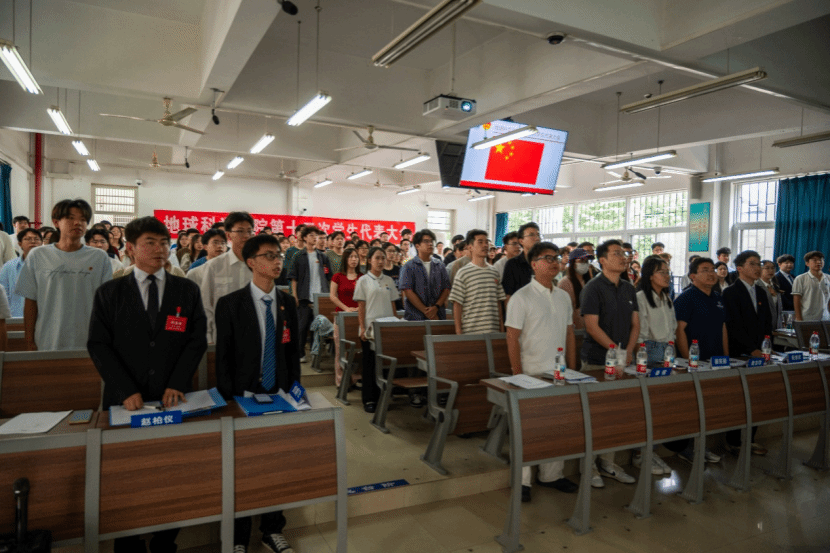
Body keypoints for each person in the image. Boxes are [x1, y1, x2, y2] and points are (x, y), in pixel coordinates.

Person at [86, 216, 206, 553]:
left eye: (163, 242)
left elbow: (196, 340)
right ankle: (128, 542)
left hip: (173, 398)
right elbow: (98, 345)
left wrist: (178, 382)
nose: (159, 249)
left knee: (171, 473)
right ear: (130, 248)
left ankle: (166, 540)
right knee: (126, 475)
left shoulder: (186, 290)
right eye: (149, 242)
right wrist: (126, 390)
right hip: (126, 401)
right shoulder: (110, 292)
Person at [214, 233, 300, 553]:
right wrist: (229, 399)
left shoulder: (287, 302)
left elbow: (292, 354)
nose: (277, 261)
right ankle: (238, 538)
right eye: (269, 256)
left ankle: (272, 529)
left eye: (279, 255)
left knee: (276, 465)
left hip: (278, 395)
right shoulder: (231, 304)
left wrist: (294, 392)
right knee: (241, 467)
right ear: (251, 262)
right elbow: (223, 357)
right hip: (244, 396)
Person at [506, 241, 578, 501]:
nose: (554, 262)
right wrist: (518, 375)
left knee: (557, 426)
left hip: (559, 373)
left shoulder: (563, 296)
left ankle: (552, 475)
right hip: (531, 373)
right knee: (529, 429)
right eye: (548, 258)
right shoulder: (521, 297)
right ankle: (522, 482)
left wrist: (572, 368)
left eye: (557, 257)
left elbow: (569, 333)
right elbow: (512, 337)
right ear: (534, 264)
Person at [579, 239, 638, 488]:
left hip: (622, 362)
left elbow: (635, 324)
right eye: (616, 253)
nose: (623, 257)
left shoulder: (628, 288)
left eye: (624, 253)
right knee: (594, 417)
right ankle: (589, 467)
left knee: (615, 416)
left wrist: (629, 351)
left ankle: (608, 463)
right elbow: (592, 327)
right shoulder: (593, 288)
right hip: (596, 361)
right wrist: (616, 351)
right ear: (602, 260)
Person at [16, 199, 112, 351]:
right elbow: (30, 301)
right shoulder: (38, 255)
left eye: (83, 219)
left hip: (89, 339)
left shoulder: (99, 257)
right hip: (47, 339)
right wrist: (29, 340)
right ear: (56, 222)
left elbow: (106, 303)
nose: (77, 223)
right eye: (70, 218)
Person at [671, 257, 726, 464]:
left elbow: (723, 328)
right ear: (693, 276)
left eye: (713, 269)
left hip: (715, 361)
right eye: (705, 270)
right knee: (691, 408)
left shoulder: (718, 297)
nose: (711, 273)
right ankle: (687, 448)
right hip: (694, 363)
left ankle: (702, 446)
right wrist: (688, 361)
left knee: (709, 407)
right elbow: (679, 330)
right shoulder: (686, 298)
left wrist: (726, 357)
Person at [722, 250, 772, 456]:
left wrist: (766, 346)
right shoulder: (730, 292)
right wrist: (751, 349)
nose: (758, 268)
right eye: (753, 264)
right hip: (740, 353)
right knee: (739, 399)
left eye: (759, 264)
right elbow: (733, 326)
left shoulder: (761, 291)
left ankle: (750, 439)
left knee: (757, 397)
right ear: (740, 268)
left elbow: (767, 322)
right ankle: (733, 441)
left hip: (760, 353)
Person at [632, 255, 676, 475]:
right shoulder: (640, 297)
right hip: (648, 352)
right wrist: (641, 357)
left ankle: (652, 451)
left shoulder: (666, 298)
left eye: (668, 272)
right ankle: (641, 455)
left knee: (661, 407)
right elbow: (640, 331)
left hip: (667, 351)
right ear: (650, 275)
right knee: (645, 407)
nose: (667, 276)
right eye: (662, 272)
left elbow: (672, 327)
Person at [353, 246, 398, 413]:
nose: (380, 261)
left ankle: (383, 398)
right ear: (369, 260)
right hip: (370, 330)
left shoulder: (389, 280)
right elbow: (361, 307)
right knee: (370, 365)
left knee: (385, 364)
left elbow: (393, 305)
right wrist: (362, 328)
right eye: (377, 258)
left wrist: (396, 325)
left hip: (387, 329)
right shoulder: (363, 280)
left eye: (383, 258)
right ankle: (369, 399)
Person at [199, 212, 256, 343]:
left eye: (249, 231)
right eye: (240, 231)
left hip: (252, 335)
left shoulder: (258, 265)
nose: (246, 236)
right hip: (222, 335)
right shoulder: (214, 266)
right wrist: (209, 337)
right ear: (229, 235)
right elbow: (206, 305)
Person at [288, 225, 333, 362]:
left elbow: (329, 277)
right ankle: (300, 353)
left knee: (317, 327)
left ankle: (315, 354)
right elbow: (293, 278)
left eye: (316, 236)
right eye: (311, 235)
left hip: (320, 297)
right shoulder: (298, 256)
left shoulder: (323, 256)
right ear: (304, 238)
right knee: (302, 327)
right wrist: (294, 295)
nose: (315, 238)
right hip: (304, 296)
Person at [448, 229, 505, 335]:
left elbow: (498, 303)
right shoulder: (463, 273)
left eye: (486, 242)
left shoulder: (494, 272)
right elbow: (457, 305)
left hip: (493, 331)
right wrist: (459, 332)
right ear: (470, 247)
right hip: (471, 332)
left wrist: (501, 330)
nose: (485, 245)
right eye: (480, 242)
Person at [398, 229, 451, 322]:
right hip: (415, 316)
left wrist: (436, 307)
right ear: (417, 246)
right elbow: (408, 291)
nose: (430, 244)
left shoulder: (440, 265)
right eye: (426, 241)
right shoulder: (408, 266)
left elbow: (446, 288)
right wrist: (426, 311)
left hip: (437, 314)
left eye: (431, 241)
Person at [330, 247, 362, 387]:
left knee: (358, 350)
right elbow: (332, 296)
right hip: (341, 316)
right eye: (351, 257)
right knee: (340, 350)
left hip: (359, 317)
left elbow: (366, 296)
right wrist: (346, 309)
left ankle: (355, 378)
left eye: (356, 257)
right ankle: (341, 382)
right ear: (345, 259)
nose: (354, 259)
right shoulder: (338, 276)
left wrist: (360, 308)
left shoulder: (362, 277)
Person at [0, 228, 42, 317]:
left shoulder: (51, 266)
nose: (33, 242)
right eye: (28, 239)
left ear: (41, 243)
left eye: (36, 239)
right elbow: (3, 295)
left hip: (44, 318)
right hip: (16, 318)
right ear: (20, 244)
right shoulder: (9, 267)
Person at [502, 223, 542, 306]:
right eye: (531, 235)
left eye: (538, 235)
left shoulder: (544, 262)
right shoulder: (513, 264)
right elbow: (508, 295)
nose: (537, 238)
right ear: (521, 241)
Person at [557, 248, 593, 330]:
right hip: (574, 330)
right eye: (581, 261)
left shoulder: (589, 282)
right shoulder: (565, 283)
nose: (585, 264)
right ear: (573, 263)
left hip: (590, 329)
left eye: (586, 261)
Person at [792, 251, 830, 322]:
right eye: (814, 260)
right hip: (807, 318)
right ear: (807, 263)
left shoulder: (828, 278)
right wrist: (799, 319)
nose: (818, 262)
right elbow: (796, 300)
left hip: (825, 318)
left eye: (821, 260)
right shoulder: (800, 278)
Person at [758, 259, 784, 330]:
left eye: (773, 268)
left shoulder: (775, 285)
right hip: (760, 324)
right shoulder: (756, 285)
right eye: (767, 268)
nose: (771, 270)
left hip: (775, 324)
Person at [383, 242, 403, 311]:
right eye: (389, 251)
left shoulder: (400, 269)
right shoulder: (380, 270)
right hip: (384, 305)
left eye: (394, 251)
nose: (392, 253)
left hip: (398, 305)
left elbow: (403, 290)